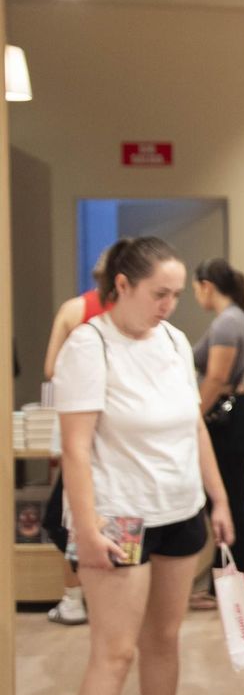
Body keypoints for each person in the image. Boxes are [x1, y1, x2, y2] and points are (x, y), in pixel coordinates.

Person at [53, 237, 236, 695]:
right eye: (159, 293)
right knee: (114, 653)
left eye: (177, 295)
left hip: (178, 509)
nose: (169, 305)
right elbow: (75, 449)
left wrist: (218, 497)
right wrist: (86, 529)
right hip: (119, 517)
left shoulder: (177, 340)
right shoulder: (90, 344)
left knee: (165, 640)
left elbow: (192, 425)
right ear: (122, 287)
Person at [40, 249, 112, 626]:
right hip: (118, 433)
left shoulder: (74, 310)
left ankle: (74, 598)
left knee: (68, 516)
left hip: (83, 428)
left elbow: (52, 368)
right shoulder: (135, 318)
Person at [188, 259, 244, 608]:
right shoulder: (235, 318)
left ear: (206, 285)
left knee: (229, 503)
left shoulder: (227, 322)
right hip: (237, 416)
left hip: (231, 420)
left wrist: (191, 418)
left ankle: (231, 588)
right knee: (232, 501)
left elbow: (216, 379)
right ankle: (230, 585)